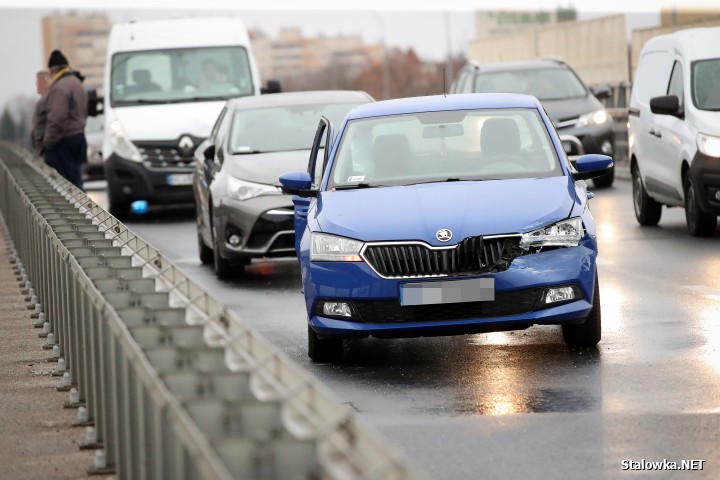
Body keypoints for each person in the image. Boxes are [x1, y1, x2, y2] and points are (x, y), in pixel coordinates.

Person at [42, 49, 88, 190]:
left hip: (64, 142)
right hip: (79, 138)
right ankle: (83, 211)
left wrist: (47, 143)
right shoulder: (77, 84)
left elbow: (57, 119)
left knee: (67, 187)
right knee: (77, 181)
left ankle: (74, 212)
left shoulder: (59, 88)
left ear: (53, 70)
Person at [31, 70, 51, 156]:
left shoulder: (49, 99)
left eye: (38, 83)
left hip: (49, 147)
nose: (36, 86)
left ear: (46, 82)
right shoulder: (44, 100)